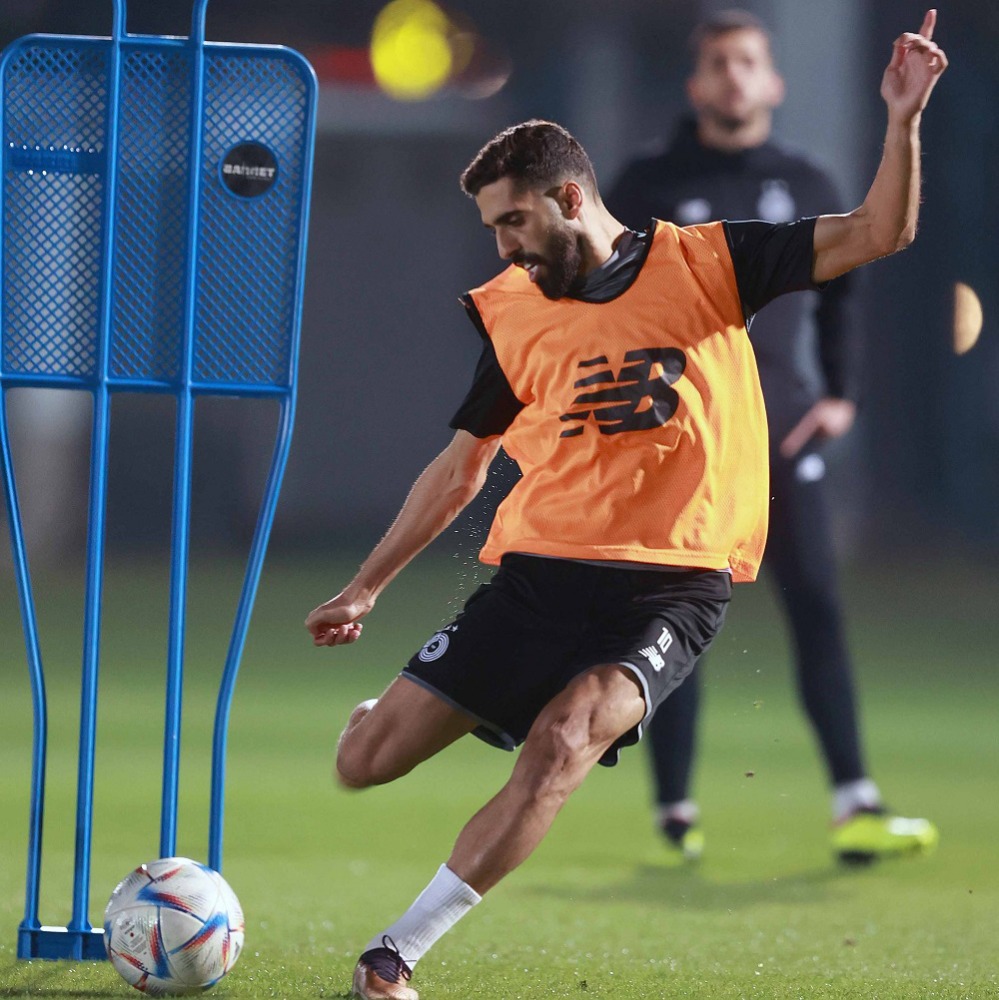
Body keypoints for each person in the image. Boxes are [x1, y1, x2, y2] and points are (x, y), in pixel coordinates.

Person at [306, 14, 946, 998]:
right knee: (362, 763)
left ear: (570, 195)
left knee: (565, 740)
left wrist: (901, 118)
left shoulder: (708, 264)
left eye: (514, 221)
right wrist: (365, 586)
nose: (506, 247)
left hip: (671, 588)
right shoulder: (515, 313)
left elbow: (878, 232)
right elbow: (459, 468)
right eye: (492, 231)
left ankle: (394, 955)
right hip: (538, 580)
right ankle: (390, 713)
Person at [606, 9, 939, 865]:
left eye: (747, 61)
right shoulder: (646, 183)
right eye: (717, 62)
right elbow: (608, 299)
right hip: (683, 448)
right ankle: (675, 806)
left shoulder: (805, 174)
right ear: (694, 83)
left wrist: (839, 394)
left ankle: (854, 797)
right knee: (677, 620)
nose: (732, 77)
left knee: (817, 609)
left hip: (784, 434)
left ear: (772, 80)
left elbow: (842, 291)